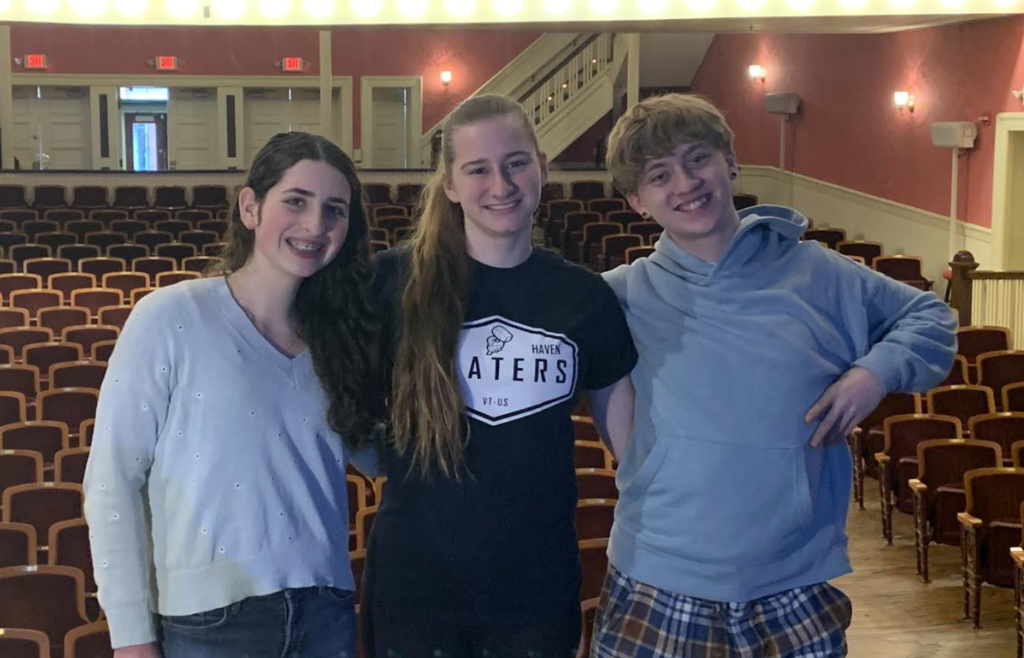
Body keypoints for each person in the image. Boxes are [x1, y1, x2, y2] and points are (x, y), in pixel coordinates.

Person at [594, 93, 958, 657]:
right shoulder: (618, 295)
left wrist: (874, 373)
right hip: (657, 572)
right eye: (659, 175)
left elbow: (932, 318)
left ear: (731, 162)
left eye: (698, 159)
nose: (685, 182)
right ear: (638, 202)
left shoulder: (821, 273)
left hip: (792, 577)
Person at [83, 131, 380, 658]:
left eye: (335, 210)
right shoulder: (170, 317)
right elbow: (111, 485)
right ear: (250, 207)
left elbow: (379, 458)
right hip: (210, 624)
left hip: (326, 611)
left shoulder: (340, 338)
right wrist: (130, 638)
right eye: (296, 201)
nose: (316, 225)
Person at [363, 94, 637, 658]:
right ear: (450, 184)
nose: (501, 184)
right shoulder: (389, 285)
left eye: (516, 162)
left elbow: (631, 447)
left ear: (541, 166)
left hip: (536, 591)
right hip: (413, 590)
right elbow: (337, 404)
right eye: (478, 169)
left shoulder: (585, 297)